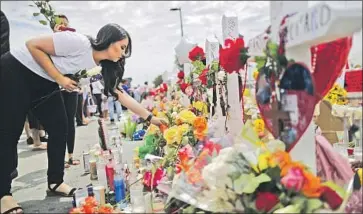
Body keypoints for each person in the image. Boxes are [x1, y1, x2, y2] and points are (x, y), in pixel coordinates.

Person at [0, 23, 167, 213]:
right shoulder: (78, 42)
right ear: (108, 39)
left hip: (46, 82)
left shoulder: (102, 66)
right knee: (9, 132)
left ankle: (55, 181)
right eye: (122, 47)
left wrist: (150, 118)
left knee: (60, 127)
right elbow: (32, 45)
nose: (123, 53)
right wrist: (59, 78)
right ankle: (3, 194)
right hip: (16, 72)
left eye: (125, 50)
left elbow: (119, 93)